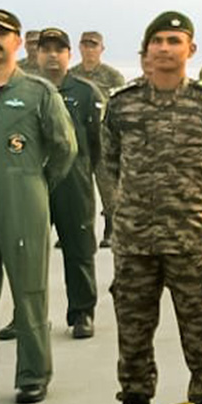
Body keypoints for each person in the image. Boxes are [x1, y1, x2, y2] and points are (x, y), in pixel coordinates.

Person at [99, 12, 202, 404]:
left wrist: (194, 208)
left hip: (189, 239)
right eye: (156, 40)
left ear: (190, 50)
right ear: (146, 50)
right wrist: (139, 209)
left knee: (199, 334)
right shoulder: (121, 104)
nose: (164, 48)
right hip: (134, 240)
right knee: (133, 338)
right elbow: (112, 163)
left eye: (174, 40)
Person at [0, 10, 77, 404]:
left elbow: (65, 147)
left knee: (29, 289)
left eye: (1, 34)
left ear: (16, 42)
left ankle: (32, 374)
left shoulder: (38, 92)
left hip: (23, 198)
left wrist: (38, 183)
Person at [33, 29, 103, 338]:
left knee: (78, 250)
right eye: (45, 49)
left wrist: (83, 170)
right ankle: (27, 316)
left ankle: (81, 313)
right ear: (36, 55)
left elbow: (98, 144)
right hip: (32, 183)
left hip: (74, 184)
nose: (51, 55)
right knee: (28, 252)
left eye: (58, 49)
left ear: (68, 55)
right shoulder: (25, 91)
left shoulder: (87, 93)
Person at [77, 30, 127, 248]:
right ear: (79, 48)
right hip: (79, 140)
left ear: (101, 49)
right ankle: (80, 229)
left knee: (108, 187)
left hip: (104, 139)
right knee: (80, 187)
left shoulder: (112, 76)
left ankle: (110, 228)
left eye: (94, 46)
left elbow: (120, 106)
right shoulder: (71, 75)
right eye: (86, 45)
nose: (89, 50)